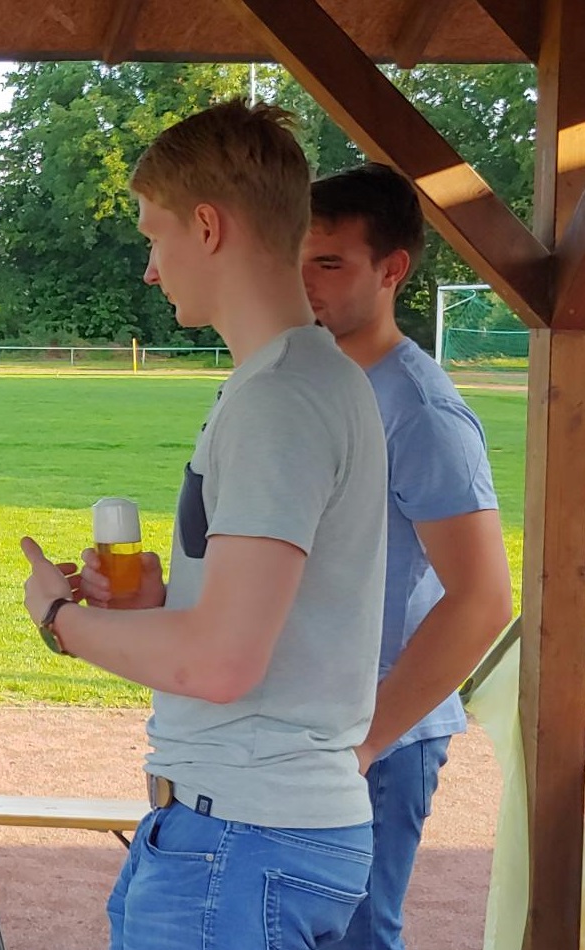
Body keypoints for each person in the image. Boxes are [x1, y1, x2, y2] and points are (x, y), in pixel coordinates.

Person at [17, 101, 389, 949]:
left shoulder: (279, 399)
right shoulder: (305, 379)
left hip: (241, 841)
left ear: (209, 227)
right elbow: (258, 624)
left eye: (155, 235)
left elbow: (222, 662)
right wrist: (160, 605)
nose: (151, 269)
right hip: (247, 837)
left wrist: (59, 621)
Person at [302, 162, 514, 950]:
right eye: (296, 260)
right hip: (312, 720)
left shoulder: (419, 409)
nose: (305, 283)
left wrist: (366, 741)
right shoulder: (317, 383)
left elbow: (483, 599)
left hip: (378, 737)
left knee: (355, 935)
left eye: (329, 263)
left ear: (392, 269)